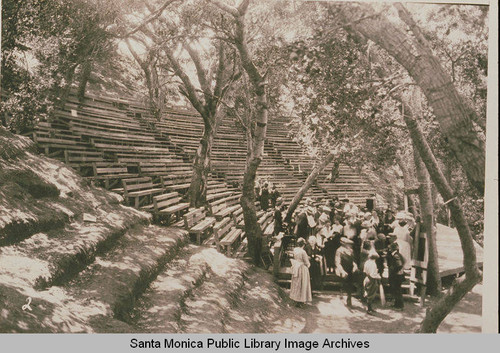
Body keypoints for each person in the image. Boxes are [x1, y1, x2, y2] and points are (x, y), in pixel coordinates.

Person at [335, 237, 358, 307]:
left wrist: (355, 266)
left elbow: (353, 261)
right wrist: (342, 271)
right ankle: (341, 296)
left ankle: (349, 300)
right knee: (344, 284)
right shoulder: (339, 251)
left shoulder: (351, 251)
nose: (349, 246)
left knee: (350, 285)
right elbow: (337, 262)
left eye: (350, 244)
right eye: (348, 244)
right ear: (343, 244)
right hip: (343, 270)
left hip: (350, 270)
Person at [290, 238, 312, 306]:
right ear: (303, 245)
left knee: (296, 283)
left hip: (296, 266)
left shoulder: (295, 250)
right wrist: (308, 263)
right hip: (301, 268)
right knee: (302, 283)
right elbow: (306, 262)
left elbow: (296, 257)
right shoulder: (303, 252)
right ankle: (300, 300)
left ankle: (295, 298)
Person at [387, 241, 405, 310]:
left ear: (392, 249)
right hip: (398, 275)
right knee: (396, 290)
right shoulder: (398, 254)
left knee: (397, 290)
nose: (389, 250)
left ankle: (400, 306)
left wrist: (393, 270)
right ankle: (397, 304)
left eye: (390, 248)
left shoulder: (396, 256)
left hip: (396, 276)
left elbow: (399, 265)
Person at [363, 248, 381, 315]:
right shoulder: (373, 264)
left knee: (368, 293)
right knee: (371, 295)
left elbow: (365, 271)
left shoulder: (367, 262)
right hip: (371, 280)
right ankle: (369, 309)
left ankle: (370, 308)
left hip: (367, 278)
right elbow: (372, 274)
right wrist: (378, 276)